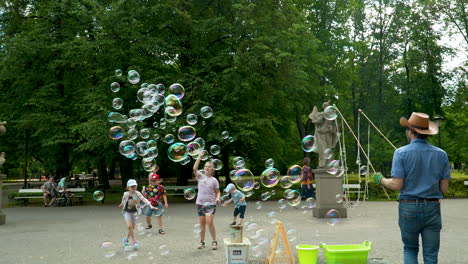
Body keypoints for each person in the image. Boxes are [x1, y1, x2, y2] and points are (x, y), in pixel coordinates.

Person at [373, 112, 450, 264]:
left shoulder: (400, 153)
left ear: (410, 131)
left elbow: (396, 185)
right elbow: (444, 188)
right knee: (431, 254)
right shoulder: (441, 154)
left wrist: (381, 180)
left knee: (410, 249)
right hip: (432, 207)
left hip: (409, 207)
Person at [119, 179, 158, 250]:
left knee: (132, 228)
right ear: (128, 188)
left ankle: (126, 239)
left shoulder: (138, 193)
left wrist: (150, 205)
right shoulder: (125, 194)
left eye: (135, 186)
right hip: (127, 212)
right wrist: (121, 204)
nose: (134, 187)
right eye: (132, 186)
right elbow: (123, 200)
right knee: (129, 226)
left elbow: (143, 199)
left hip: (134, 212)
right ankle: (134, 241)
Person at [193, 155, 221, 250]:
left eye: (209, 166)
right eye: (205, 166)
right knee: (202, 224)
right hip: (200, 203)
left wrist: (218, 198)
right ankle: (202, 242)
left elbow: (218, 192)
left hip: (210, 204)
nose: (207, 167)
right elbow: (195, 168)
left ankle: (214, 241)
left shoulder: (214, 180)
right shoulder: (200, 176)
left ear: (212, 169)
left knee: (209, 222)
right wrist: (199, 157)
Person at [308, 101, 338, 167]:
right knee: (329, 148)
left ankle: (323, 163)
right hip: (330, 133)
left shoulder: (323, 114)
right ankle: (329, 164)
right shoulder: (332, 115)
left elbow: (317, 121)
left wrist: (314, 119)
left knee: (324, 148)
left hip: (323, 133)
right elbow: (336, 125)